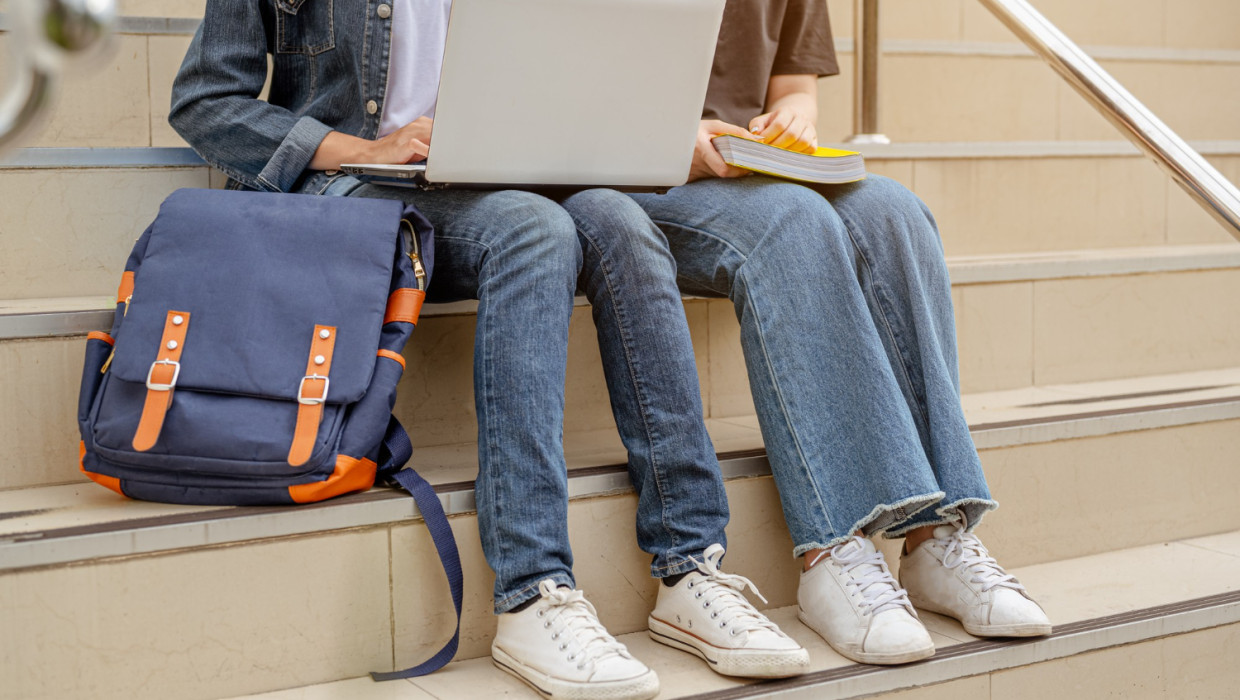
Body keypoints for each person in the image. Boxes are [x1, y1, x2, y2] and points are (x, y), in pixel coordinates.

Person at [168, 0, 807, 697]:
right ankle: (532, 592)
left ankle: (690, 568)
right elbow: (207, 102)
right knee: (534, 231)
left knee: (620, 220)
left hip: (502, 177)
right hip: (354, 185)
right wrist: (363, 149)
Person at [627, 0, 1053, 665]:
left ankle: (934, 537)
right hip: (634, 177)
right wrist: (663, 135)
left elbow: (794, 86)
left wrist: (794, 120)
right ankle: (832, 549)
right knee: (792, 221)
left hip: (747, 169)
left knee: (895, 212)